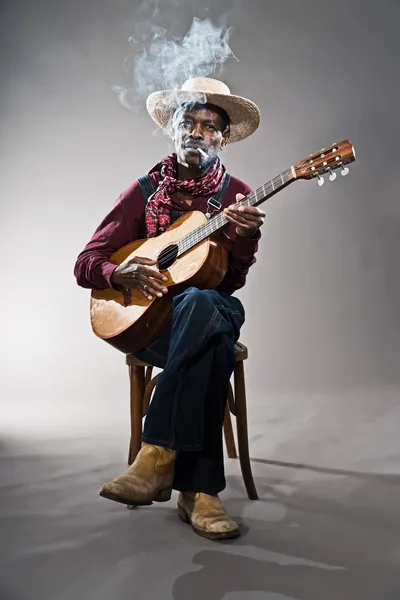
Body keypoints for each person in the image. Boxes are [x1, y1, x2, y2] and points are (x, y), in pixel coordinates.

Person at [74, 77, 265, 540]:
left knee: (204, 301)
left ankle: (155, 454)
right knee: (212, 347)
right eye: (189, 121)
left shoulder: (236, 194)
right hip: (154, 325)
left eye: (209, 125)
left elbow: (232, 281)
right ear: (173, 130)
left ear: (222, 137)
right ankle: (200, 493)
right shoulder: (142, 192)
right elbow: (86, 263)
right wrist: (121, 274)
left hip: (217, 307)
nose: (198, 130)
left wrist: (244, 235)